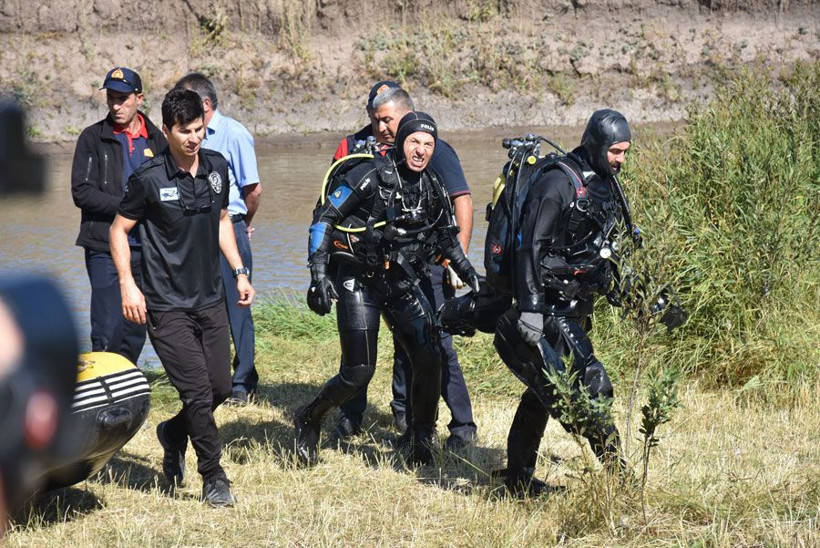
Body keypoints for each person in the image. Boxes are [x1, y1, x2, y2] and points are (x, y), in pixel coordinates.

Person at [296, 112, 481, 467]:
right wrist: (319, 275)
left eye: (428, 145)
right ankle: (310, 417)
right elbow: (324, 218)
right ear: (400, 142)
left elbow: (447, 237)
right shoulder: (368, 175)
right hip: (358, 279)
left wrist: (469, 273)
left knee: (430, 357)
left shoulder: (432, 185)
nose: (421, 151)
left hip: (398, 280)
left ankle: (419, 436)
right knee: (359, 371)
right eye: (414, 142)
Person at [109, 88, 255, 507]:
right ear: (167, 130)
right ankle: (214, 477)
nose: (194, 138)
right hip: (165, 304)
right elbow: (118, 230)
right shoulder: (148, 178)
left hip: (210, 298)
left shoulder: (216, 166)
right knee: (195, 392)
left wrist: (240, 272)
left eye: (199, 130)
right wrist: (127, 284)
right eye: (185, 131)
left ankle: (173, 434)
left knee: (220, 387)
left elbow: (224, 219)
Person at [492, 109, 634, 495]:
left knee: (540, 395)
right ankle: (620, 480)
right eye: (615, 151)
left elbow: (607, 247)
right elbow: (528, 249)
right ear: (595, 145)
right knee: (593, 383)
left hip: (575, 307)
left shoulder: (606, 184)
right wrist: (532, 309)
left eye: (625, 152)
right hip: (548, 307)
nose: (621, 160)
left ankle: (518, 480)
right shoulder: (556, 183)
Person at [174, 73, 262, 407]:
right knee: (200, 307)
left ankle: (243, 382)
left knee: (237, 307)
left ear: (205, 104)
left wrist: (242, 226)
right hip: (194, 231)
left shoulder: (233, 134)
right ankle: (209, 381)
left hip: (230, 226)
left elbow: (252, 190)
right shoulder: (181, 137)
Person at [71, 67, 166, 365]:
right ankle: (99, 390)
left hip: (146, 248)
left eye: (123, 99)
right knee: (107, 327)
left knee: (134, 327)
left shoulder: (157, 141)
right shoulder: (92, 138)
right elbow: (82, 192)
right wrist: (129, 207)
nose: (116, 106)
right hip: (102, 247)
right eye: (111, 98)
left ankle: (125, 385)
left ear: (140, 98)